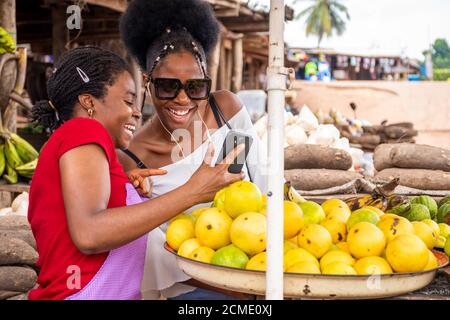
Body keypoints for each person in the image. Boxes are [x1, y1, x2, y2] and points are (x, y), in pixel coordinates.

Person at [27, 46, 244, 300]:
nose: (138, 112)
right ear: (88, 102)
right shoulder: (83, 130)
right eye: (128, 101)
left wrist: (124, 190)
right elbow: (89, 233)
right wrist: (193, 192)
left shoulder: (82, 145)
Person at [118, 0, 268, 300]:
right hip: (192, 287)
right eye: (167, 87)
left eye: (196, 87)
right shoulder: (132, 157)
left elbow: (260, 183)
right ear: (147, 82)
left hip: (256, 265)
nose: (183, 100)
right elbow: (155, 252)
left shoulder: (225, 110)